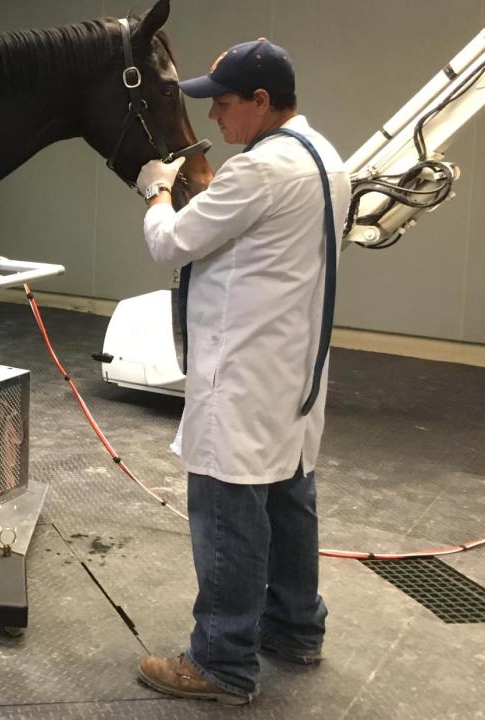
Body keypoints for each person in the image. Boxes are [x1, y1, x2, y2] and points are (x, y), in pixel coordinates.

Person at [131, 38, 351, 705]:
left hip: (245, 374)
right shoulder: (327, 159)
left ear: (261, 102)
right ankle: (293, 626)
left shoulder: (260, 171)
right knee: (288, 498)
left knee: (228, 509)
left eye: (224, 106)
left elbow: (168, 242)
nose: (216, 123)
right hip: (292, 375)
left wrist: (157, 191)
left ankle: (221, 662)